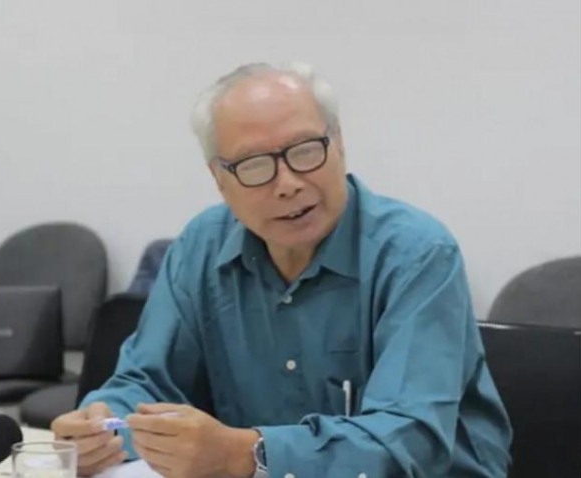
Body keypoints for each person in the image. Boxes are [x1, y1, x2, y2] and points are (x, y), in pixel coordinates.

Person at [51, 62, 512, 478]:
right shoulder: (201, 246)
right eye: (254, 166)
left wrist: (246, 454)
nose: (288, 184)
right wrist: (102, 427)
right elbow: (147, 382)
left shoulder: (417, 255)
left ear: (339, 143)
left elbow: (410, 441)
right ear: (219, 178)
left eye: (305, 151)